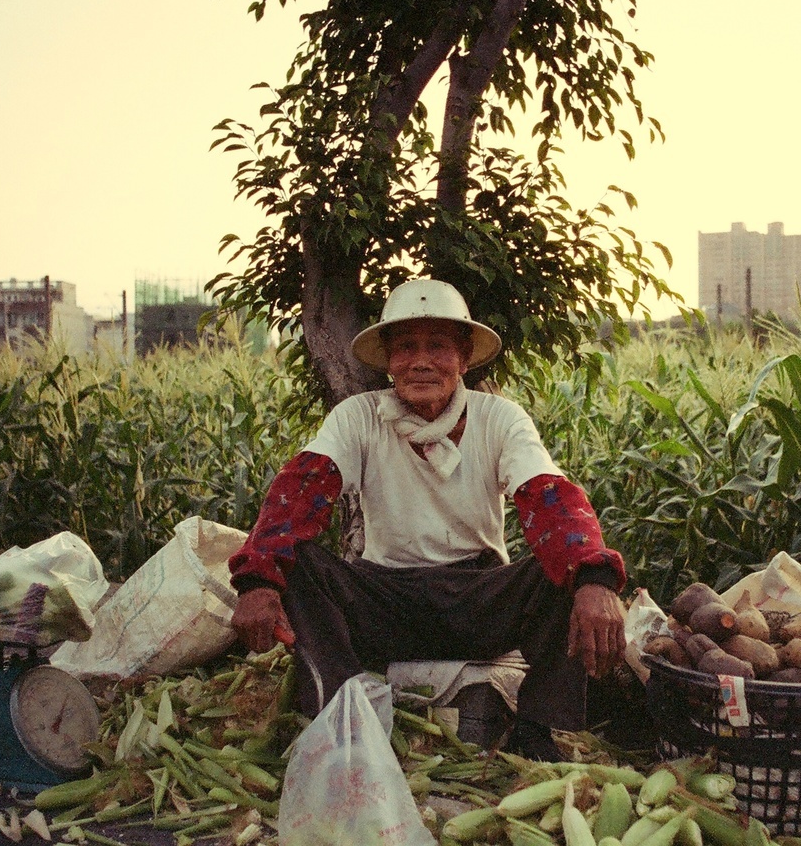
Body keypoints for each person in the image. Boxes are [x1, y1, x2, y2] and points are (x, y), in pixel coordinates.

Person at [227, 278, 627, 761]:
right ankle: (342, 710)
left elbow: (547, 497)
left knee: (565, 570)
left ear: (463, 358)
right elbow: (304, 487)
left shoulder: (500, 418)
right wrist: (258, 580)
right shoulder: (358, 417)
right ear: (389, 361)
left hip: (478, 599)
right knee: (301, 563)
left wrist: (595, 576)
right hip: (383, 599)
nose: (420, 361)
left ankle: (538, 730)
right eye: (406, 348)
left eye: (437, 346)